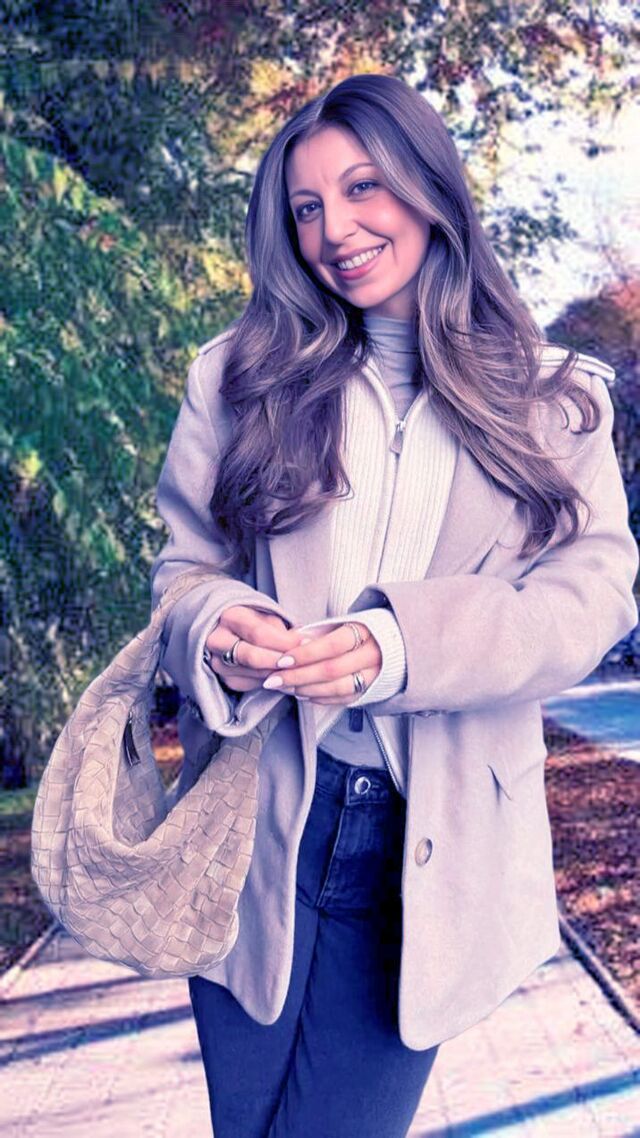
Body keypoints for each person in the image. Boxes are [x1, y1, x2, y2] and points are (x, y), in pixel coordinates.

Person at [149, 73, 639, 1138]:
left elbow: (592, 596)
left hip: (436, 841)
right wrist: (216, 627)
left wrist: (397, 645)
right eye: (306, 207)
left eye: (362, 187)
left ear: (428, 185)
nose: (334, 229)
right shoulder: (237, 378)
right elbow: (183, 572)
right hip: (251, 826)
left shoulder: (555, 399)